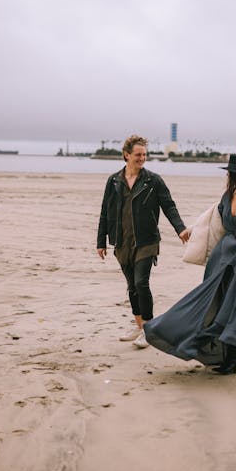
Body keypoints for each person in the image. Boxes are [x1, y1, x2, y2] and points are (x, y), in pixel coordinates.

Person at [143, 153, 236, 374]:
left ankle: (234, 357)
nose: (228, 177)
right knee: (215, 302)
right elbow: (211, 220)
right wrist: (192, 229)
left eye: (231, 174)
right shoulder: (227, 197)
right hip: (222, 258)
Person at [97, 134, 190, 349]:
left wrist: (180, 229)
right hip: (122, 241)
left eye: (144, 155)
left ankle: (148, 330)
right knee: (131, 286)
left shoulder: (152, 180)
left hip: (147, 241)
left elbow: (169, 206)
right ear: (126, 155)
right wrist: (101, 241)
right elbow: (104, 212)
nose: (142, 158)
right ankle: (139, 325)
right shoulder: (113, 181)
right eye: (138, 155)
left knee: (141, 283)